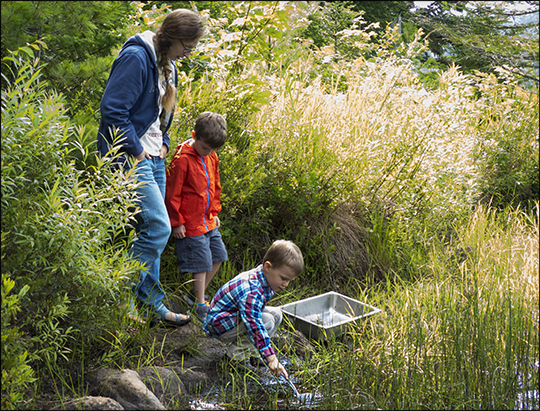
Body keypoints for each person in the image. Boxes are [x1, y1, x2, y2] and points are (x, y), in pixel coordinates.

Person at [97, 9, 204, 327]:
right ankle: (122, 298)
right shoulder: (136, 56)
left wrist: (165, 141)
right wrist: (137, 150)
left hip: (155, 155)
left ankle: (151, 305)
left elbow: (158, 113)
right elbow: (112, 109)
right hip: (132, 155)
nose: (189, 53)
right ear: (172, 38)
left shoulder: (166, 63)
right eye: (187, 45)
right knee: (158, 228)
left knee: (152, 231)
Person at [203, 240, 304, 379]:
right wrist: (271, 358)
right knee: (266, 321)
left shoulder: (265, 278)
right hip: (220, 325)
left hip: (234, 317)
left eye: (289, 281)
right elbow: (254, 325)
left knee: (277, 314)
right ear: (268, 267)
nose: (286, 284)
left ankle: (253, 353)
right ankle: (234, 358)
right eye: (283, 278)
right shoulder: (252, 290)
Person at [165, 111, 228, 321]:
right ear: (195, 135)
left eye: (212, 149)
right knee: (201, 262)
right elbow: (172, 192)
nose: (207, 152)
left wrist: (214, 212)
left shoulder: (211, 156)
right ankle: (200, 304)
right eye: (204, 147)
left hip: (207, 220)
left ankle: (194, 296)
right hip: (189, 223)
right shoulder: (182, 159)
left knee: (219, 256)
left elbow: (214, 186)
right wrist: (176, 222)